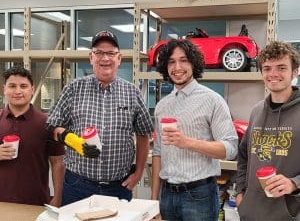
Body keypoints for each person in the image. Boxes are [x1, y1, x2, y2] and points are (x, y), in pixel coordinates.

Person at [47, 30, 153, 205]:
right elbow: (52, 127)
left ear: (119, 58)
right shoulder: (74, 88)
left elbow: (143, 135)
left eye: (111, 53)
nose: (105, 58)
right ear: (91, 57)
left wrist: (139, 173)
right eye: (99, 53)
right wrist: (72, 140)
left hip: (118, 187)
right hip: (77, 185)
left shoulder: (132, 92)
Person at [151, 39, 238, 221]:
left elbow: (230, 149)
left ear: (193, 63)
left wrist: (187, 142)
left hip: (199, 195)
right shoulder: (162, 106)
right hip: (167, 195)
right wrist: (153, 201)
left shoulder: (212, 100)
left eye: (184, 60)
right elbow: (158, 152)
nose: (177, 67)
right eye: (171, 62)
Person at [236, 41, 300, 221]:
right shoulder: (257, 110)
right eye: (267, 68)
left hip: (288, 214)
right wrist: (240, 192)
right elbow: (243, 156)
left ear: (294, 72)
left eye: (281, 67)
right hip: (250, 212)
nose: (273, 74)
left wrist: (295, 183)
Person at [0, 66, 65, 206]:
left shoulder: (48, 123)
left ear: (32, 89)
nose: (18, 91)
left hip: (35, 201)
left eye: (23, 86)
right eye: (12, 86)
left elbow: (58, 162)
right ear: (4, 89)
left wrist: (58, 197)